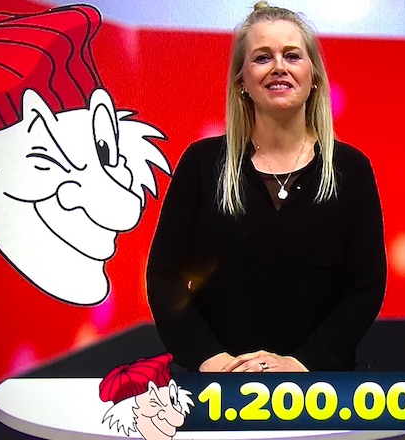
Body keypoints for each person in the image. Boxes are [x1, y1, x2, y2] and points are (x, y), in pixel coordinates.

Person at [146, 2, 385, 373]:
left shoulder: (351, 170)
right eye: (262, 57)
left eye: (292, 55)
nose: (279, 67)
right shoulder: (201, 164)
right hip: (218, 388)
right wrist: (214, 361)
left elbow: (366, 287)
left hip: (319, 391)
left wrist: (301, 364)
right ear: (241, 80)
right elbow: (165, 276)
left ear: (313, 75)